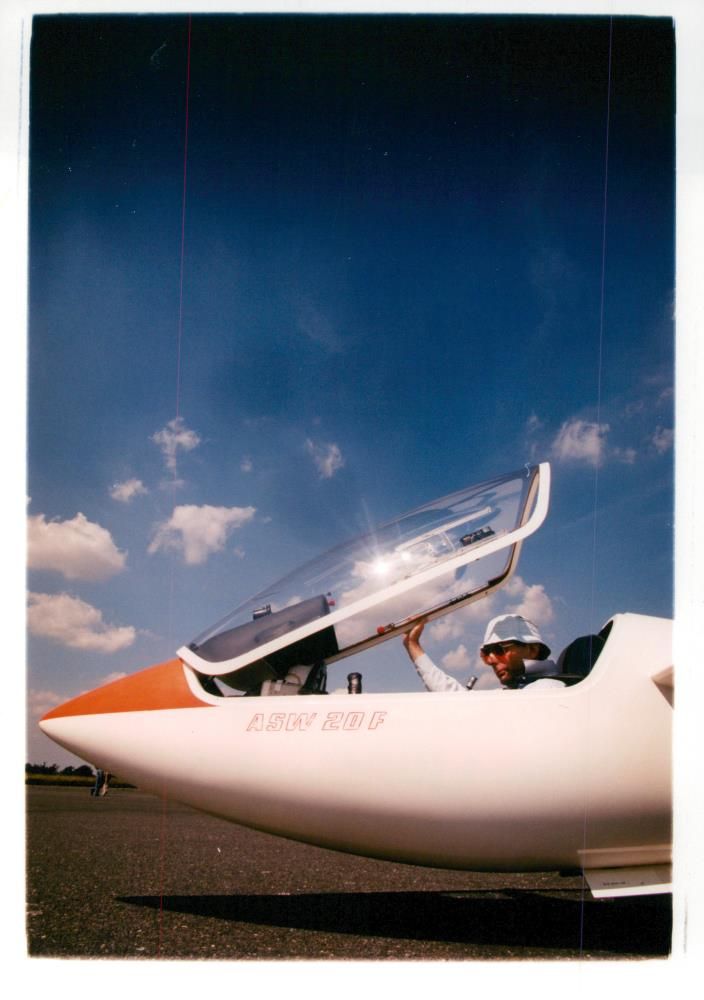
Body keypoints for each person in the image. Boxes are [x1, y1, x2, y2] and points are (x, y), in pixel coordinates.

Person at [403, 613, 564, 691]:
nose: (492, 660)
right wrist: (413, 645)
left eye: (499, 650)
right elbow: (457, 699)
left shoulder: (547, 690)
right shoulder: (518, 690)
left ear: (532, 650)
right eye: (486, 653)